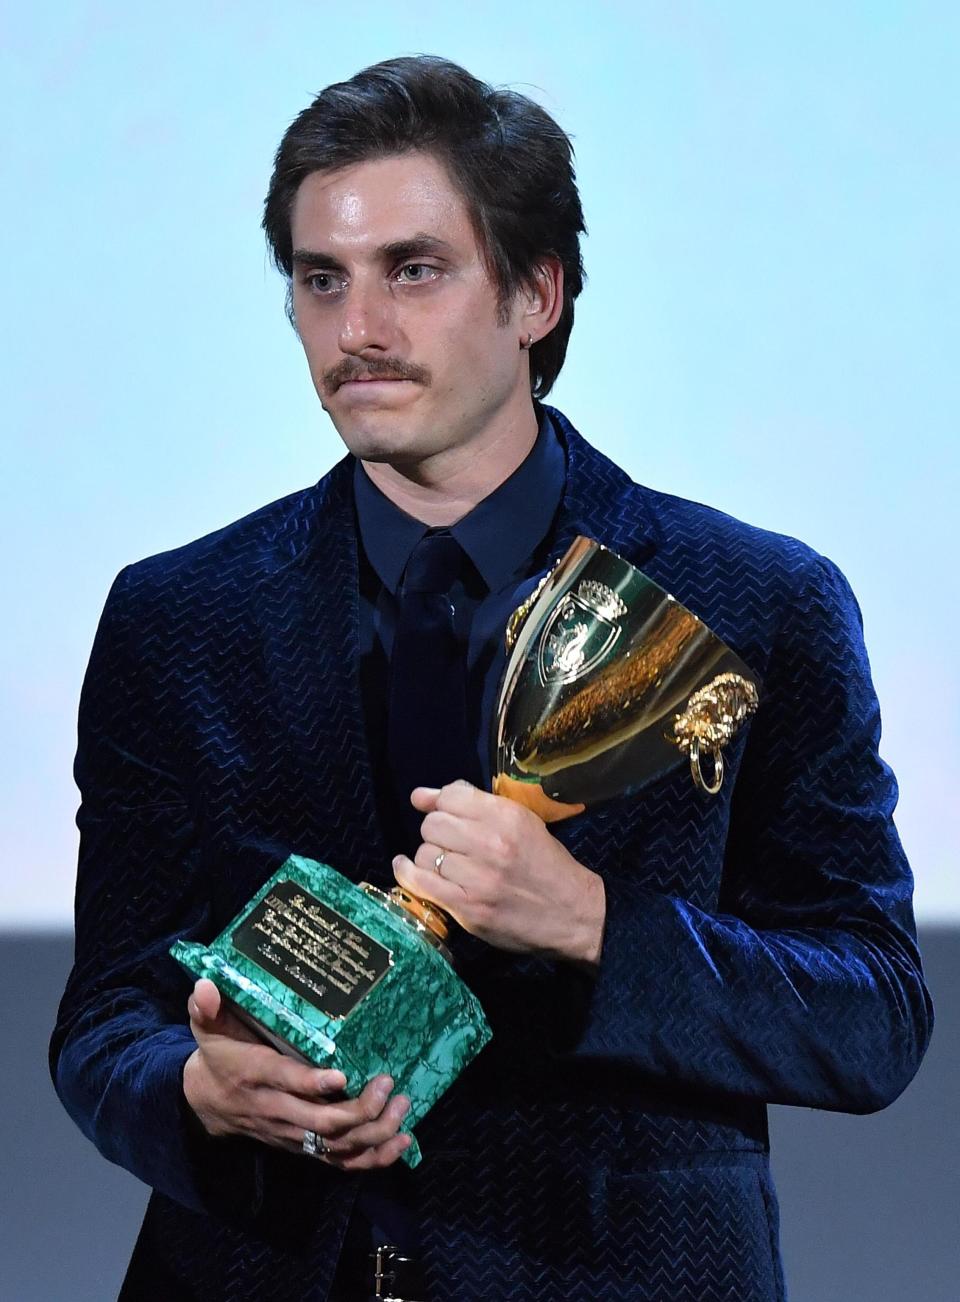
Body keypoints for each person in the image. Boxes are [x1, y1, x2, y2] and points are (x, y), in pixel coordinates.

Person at [50, 55, 934, 1302]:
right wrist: (196, 1089)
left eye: (414, 270)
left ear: (535, 293)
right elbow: (104, 1023)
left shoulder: (756, 603)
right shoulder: (176, 615)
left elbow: (875, 1018)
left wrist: (594, 927)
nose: (357, 330)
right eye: (320, 280)